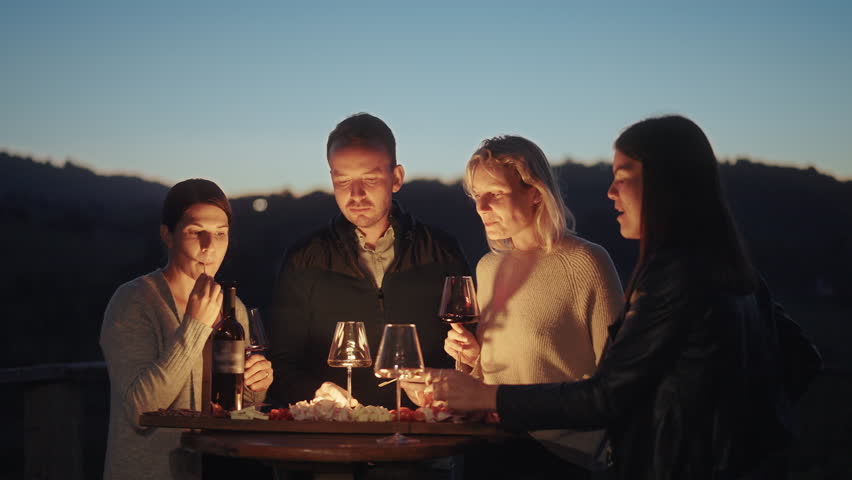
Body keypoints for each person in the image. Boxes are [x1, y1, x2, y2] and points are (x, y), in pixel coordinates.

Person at [431, 116, 822, 480]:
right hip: (505, 446)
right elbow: (800, 359)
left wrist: (703, 437)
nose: (610, 191)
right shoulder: (723, 261)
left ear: (665, 183)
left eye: (622, 176)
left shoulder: (673, 274)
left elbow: (607, 393)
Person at [423, 135, 623, 478]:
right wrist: (474, 358)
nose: (481, 207)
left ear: (535, 193)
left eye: (494, 195)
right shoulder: (488, 267)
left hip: (561, 456)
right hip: (490, 447)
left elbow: (617, 379)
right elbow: (502, 374)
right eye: (476, 197)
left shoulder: (586, 262)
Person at [267, 113, 471, 409]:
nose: (356, 194)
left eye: (370, 179)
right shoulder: (305, 259)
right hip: (336, 434)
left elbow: (470, 351)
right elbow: (280, 364)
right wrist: (316, 393)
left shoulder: (441, 251)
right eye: (343, 180)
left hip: (425, 432)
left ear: (396, 178)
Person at [100, 179, 273, 480]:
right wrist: (194, 327)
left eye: (220, 234)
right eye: (196, 233)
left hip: (218, 467)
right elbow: (141, 410)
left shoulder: (235, 308)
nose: (210, 247)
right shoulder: (134, 301)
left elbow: (238, 411)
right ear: (168, 235)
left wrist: (255, 388)